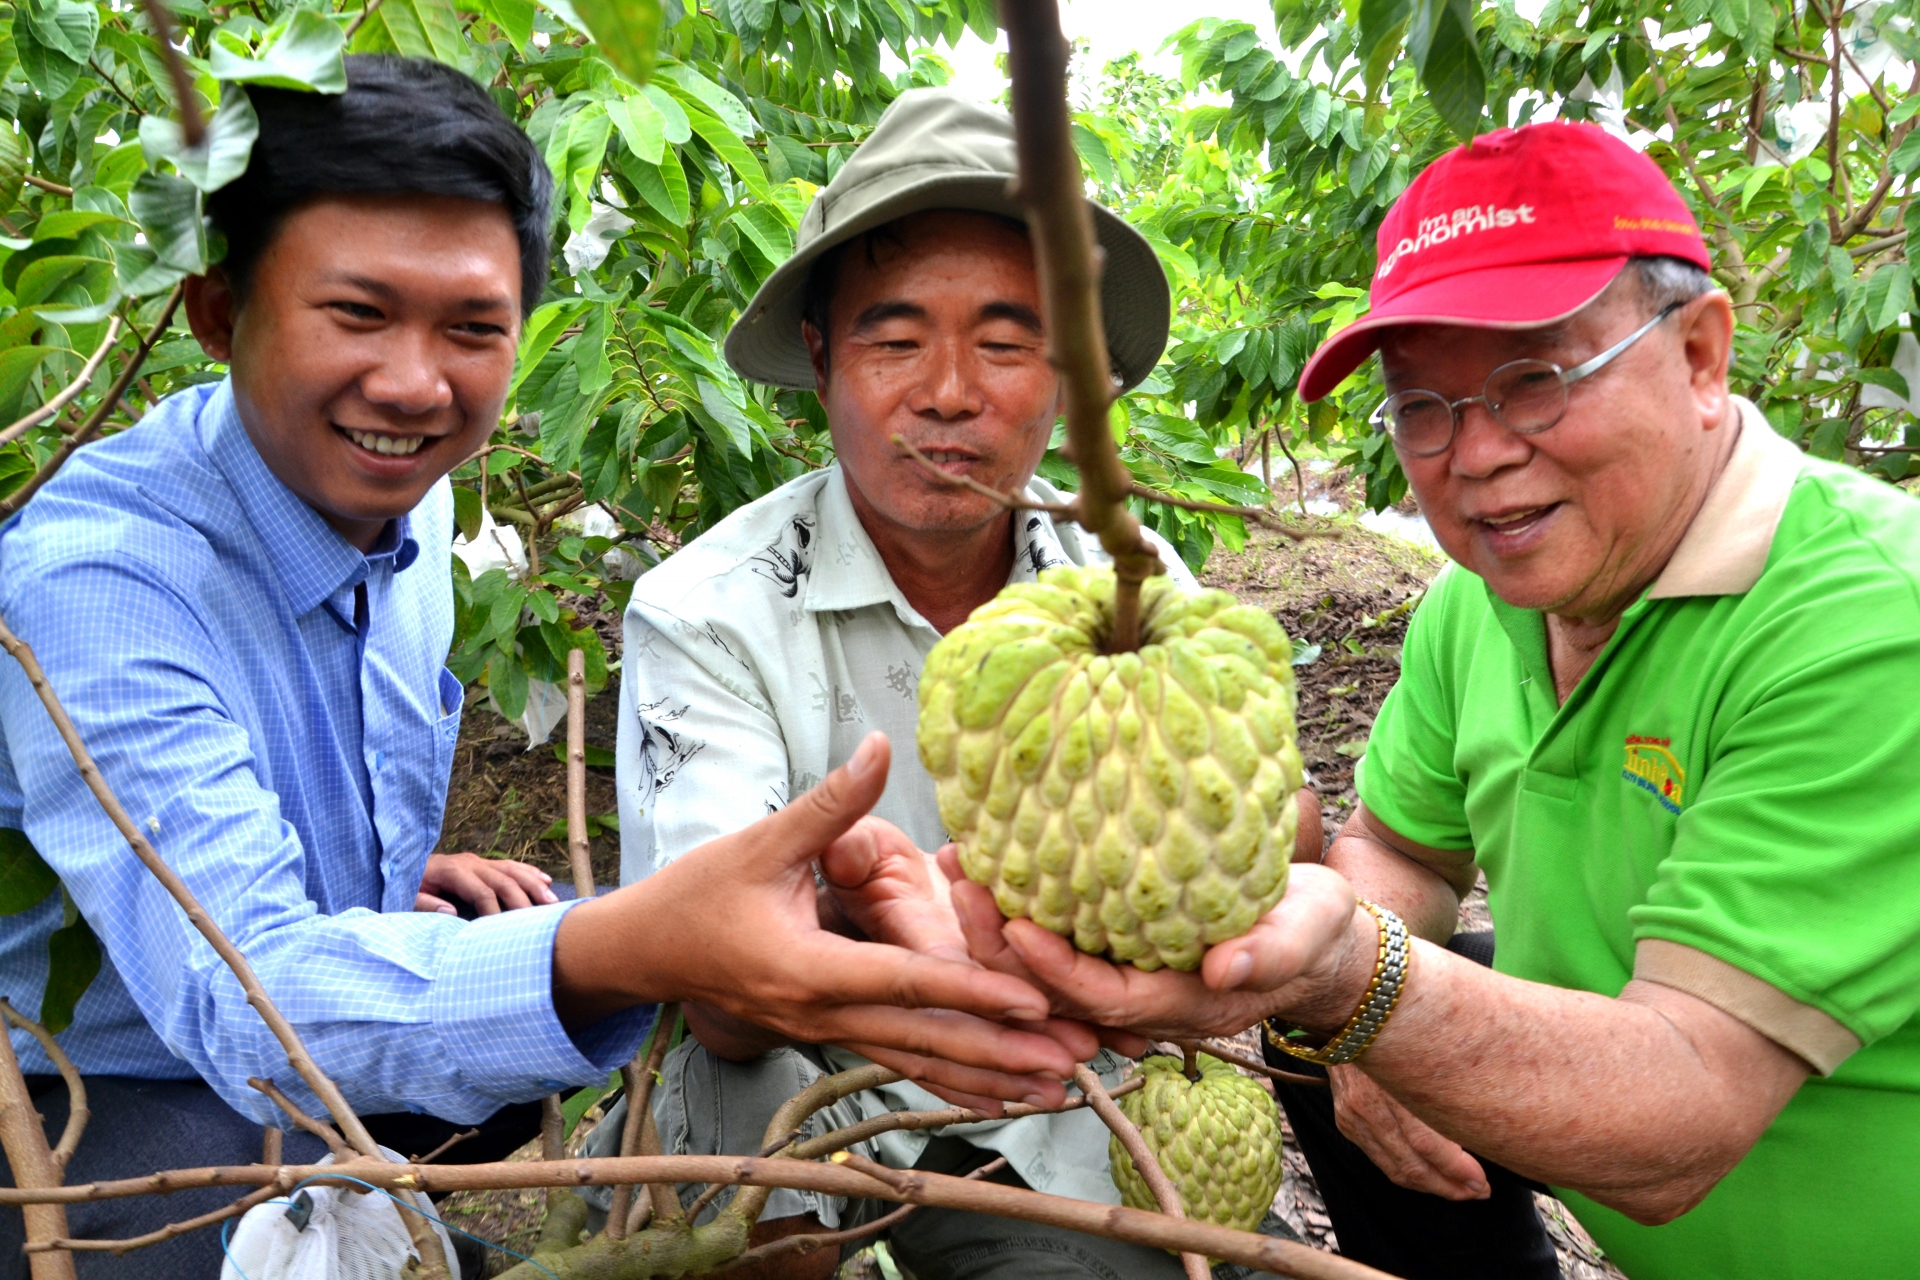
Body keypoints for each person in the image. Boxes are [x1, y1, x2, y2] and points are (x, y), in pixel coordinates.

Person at [0, 60, 1085, 1278]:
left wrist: (393, 870)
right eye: (355, 313)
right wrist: (627, 945)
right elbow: (247, 998)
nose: (415, 383)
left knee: (500, 1046)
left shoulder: (402, 513)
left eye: (471, 328)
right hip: (101, 1089)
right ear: (216, 314)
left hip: (289, 1025)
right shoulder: (102, 578)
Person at [949, 120, 1920, 1280]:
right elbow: (1395, 849)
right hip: (1629, 1097)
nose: (1478, 455)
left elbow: (1690, 1111)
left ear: (1702, 356)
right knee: (1325, 1027)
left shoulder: (1871, 622)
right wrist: (1353, 1022)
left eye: (1535, 380)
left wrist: (1360, 983)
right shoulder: (1486, 596)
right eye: (1424, 407)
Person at [604, 89, 1310, 1280]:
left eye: (1003, 340)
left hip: (1086, 1097)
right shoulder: (708, 610)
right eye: (894, 340)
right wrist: (853, 907)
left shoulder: (1131, 585)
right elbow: (717, 992)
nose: (947, 392)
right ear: (822, 360)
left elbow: (1273, 837)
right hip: (827, 1108)